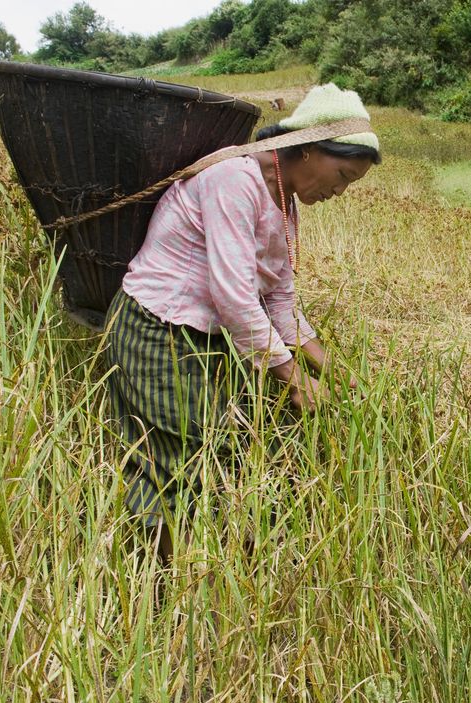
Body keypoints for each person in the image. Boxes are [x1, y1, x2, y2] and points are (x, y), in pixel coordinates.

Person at [105, 84, 381, 555]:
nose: (339, 191)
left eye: (350, 184)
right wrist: (293, 377)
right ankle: (158, 583)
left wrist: (335, 371)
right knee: (182, 456)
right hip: (156, 328)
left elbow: (278, 300)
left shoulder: (283, 199)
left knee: (223, 449)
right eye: (341, 175)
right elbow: (234, 297)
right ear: (309, 148)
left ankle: (190, 566)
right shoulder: (234, 181)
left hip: (205, 337)